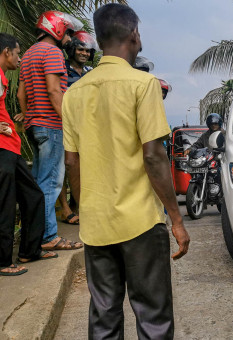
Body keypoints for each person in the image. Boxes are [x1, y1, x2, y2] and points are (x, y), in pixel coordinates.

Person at [61, 4, 190, 338]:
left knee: (104, 316)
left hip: (96, 225)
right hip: (140, 223)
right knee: (153, 317)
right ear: (134, 35)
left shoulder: (74, 94)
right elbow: (153, 156)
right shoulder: (142, 85)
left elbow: (72, 162)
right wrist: (176, 219)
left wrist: (83, 210)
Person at [0, 33, 57, 276]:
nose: (19, 57)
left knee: (33, 196)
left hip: (7, 149)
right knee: (2, 205)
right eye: (17, 53)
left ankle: (30, 250)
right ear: (6, 52)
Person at [17, 10, 83, 251]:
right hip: (52, 125)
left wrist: (28, 119)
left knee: (38, 182)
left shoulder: (28, 54)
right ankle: (49, 237)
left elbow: (21, 94)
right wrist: (67, 121)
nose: (69, 39)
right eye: (67, 33)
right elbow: (55, 91)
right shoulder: (52, 52)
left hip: (35, 125)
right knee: (51, 183)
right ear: (56, 29)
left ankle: (36, 235)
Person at [57, 30, 99, 226]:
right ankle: (65, 210)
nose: (84, 53)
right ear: (72, 50)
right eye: (80, 49)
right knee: (64, 168)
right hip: (64, 124)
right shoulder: (62, 70)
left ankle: (80, 207)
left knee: (86, 169)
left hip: (88, 127)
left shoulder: (92, 72)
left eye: (87, 50)